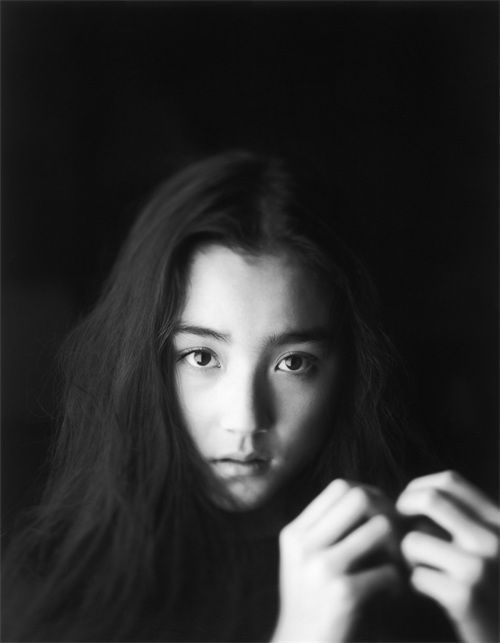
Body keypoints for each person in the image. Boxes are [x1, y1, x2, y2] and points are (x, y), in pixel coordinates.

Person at [3, 151, 498, 642]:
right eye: (201, 357)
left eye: (293, 363)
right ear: (143, 362)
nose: (245, 420)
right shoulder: (51, 584)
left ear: (350, 372)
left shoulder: (438, 574)